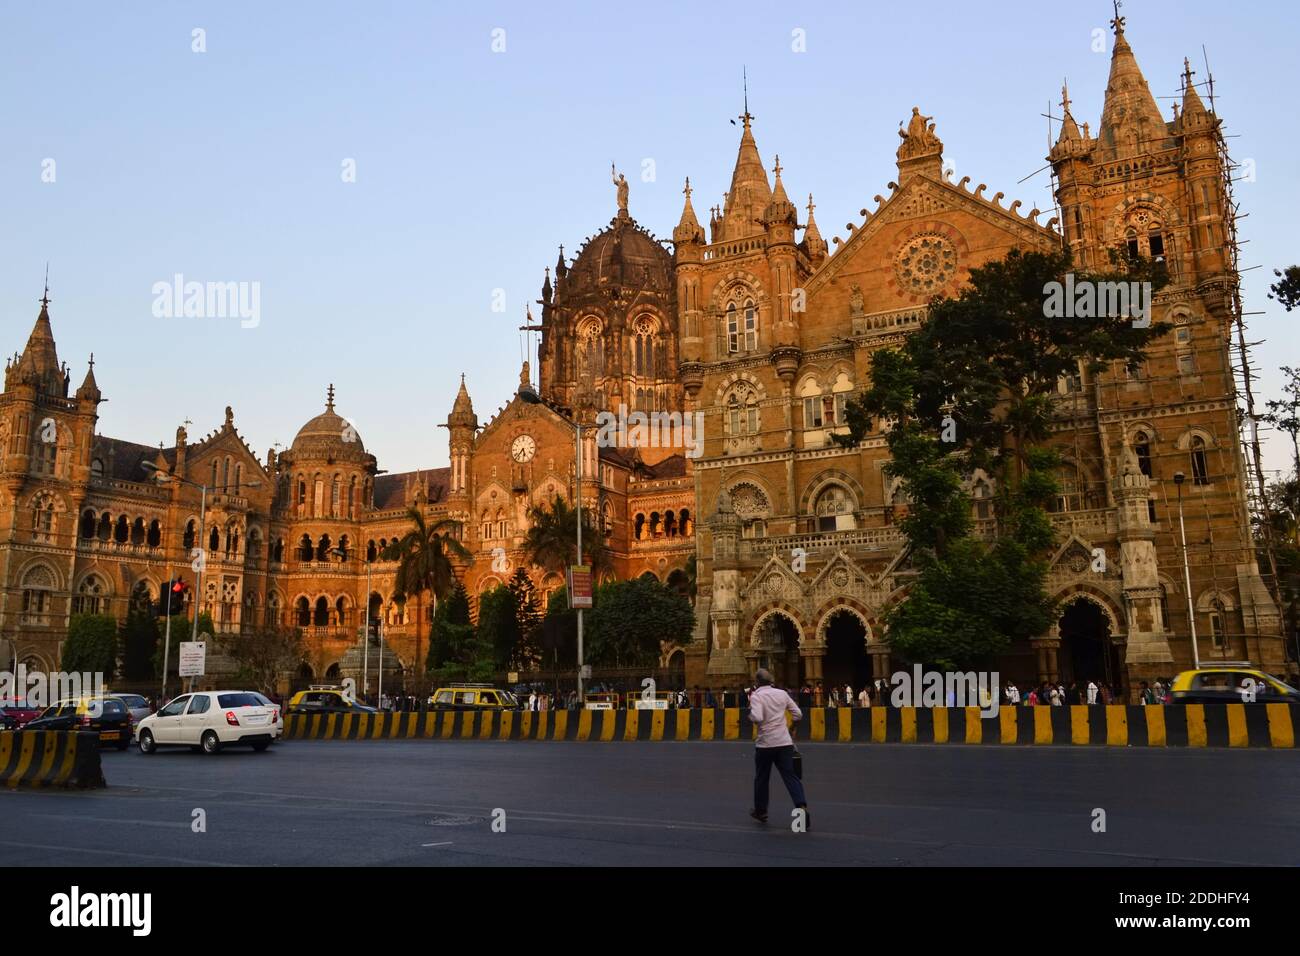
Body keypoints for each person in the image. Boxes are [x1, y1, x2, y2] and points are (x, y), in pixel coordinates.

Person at [747, 668, 808, 827]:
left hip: (765, 744)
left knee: (762, 778)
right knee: (790, 776)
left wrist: (750, 715)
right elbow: (798, 714)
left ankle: (761, 811)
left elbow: (758, 717)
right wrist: (792, 727)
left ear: (757, 682)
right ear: (771, 681)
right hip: (784, 743)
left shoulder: (757, 696)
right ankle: (801, 807)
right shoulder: (782, 694)